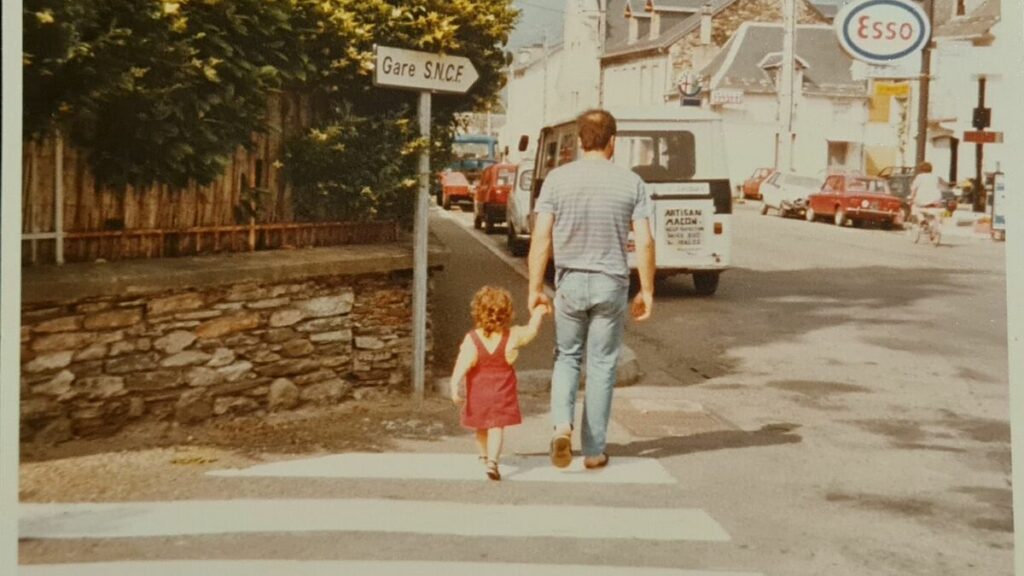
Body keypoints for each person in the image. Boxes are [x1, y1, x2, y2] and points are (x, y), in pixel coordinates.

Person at [527, 109, 656, 471]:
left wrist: (535, 288)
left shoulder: (556, 180)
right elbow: (644, 242)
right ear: (613, 141)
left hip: (569, 283)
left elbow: (541, 236)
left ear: (580, 141)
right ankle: (595, 449)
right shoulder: (631, 183)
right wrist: (646, 290)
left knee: (566, 357)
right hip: (611, 284)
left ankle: (561, 426)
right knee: (601, 365)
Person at [450, 286, 548, 481]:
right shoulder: (511, 336)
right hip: (502, 391)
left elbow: (461, 365)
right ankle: (493, 462)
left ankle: (484, 456)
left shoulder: (472, 339)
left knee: (480, 426)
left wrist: (454, 386)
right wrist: (538, 312)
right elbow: (531, 331)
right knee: (496, 427)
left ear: (477, 312)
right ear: (508, 314)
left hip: (478, 391)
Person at [908, 162, 946, 227]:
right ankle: (932, 229)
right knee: (933, 213)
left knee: (915, 208)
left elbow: (914, 188)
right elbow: (940, 187)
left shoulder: (919, 177)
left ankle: (922, 220)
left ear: (921, 169)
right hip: (935, 198)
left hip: (922, 198)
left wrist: (911, 197)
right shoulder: (935, 177)